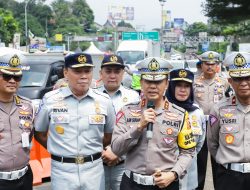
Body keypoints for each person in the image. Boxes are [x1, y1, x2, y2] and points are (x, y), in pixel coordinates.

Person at [111, 57, 196, 190]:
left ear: (166, 84)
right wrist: (138, 127)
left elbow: (188, 152)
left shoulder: (180, 115)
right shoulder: (126, 111)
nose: (152, 86)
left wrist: (174, 174)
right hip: (132, 184)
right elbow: (116, 149)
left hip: (165, 184)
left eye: (158, 81)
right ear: (141, 82)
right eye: (148, 81)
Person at [34, 53, 116, 190]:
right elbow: (39, 133)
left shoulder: (104, 100)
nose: (83, 76)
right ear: (65, 72)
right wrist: (59, 149)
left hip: (93, 169)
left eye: (87, 71)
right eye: (77, 71)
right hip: (62, 171)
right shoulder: (50, 99)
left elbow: (109, 135)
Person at [207, 52, 250, 190]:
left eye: (247, 77)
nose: (243, 83)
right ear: (230, 82)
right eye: (238, 78)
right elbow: (212, 143)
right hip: (229, 177)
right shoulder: (219, 109)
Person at [97, 54, 140, 190]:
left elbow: (138, 130)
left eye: (117, 71)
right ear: (101, 73)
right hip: (97, 163)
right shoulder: (92, 96)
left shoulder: (134, 97)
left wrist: (117, 152)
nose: (112, 76)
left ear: (123, 73)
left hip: (125, 162)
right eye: (108, 71)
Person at [193, 51, 230, 190]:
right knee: (199, 161)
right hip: (199, 124)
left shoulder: (224, 82)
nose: (209, 67)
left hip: (218, 125)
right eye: (206, 64)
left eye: (212, 64)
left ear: (217, 66)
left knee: (218, 159)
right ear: (201, 65)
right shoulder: (194, 81)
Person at [166, 69, 206, 190]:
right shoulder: (163, 109)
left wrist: (186, 158)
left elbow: (199, 143)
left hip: (189, 172)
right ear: (171, 87)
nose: (183, 90)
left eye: (187, 86)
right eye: (178, 85)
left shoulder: (197, 113)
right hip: (165, 172)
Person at [0, 53, 35, 190]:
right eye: (7, 76)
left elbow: (30, 135)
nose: (12, 80)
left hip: (24, 178)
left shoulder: (28, 106)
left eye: (17, 77)